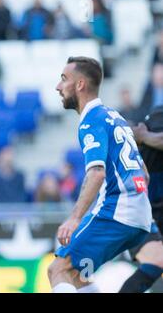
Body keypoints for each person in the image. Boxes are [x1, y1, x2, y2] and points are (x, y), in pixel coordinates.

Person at [48, 57, 152, 293]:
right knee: (78, 275)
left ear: (80, 84)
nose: (58, 86)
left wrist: (75, 218)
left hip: (118, 212)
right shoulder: (116, 118)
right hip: (139, 216)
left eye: (64, 79)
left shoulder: (91, 121)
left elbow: (96, 173)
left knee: (57, 269)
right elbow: (143, 173)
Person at [119, 106, 163, 292]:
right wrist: (141, 135)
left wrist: (142, 136)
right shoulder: (157, 115)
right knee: (155, 263)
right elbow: (128, 130)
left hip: (152, 206)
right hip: (140, 207)